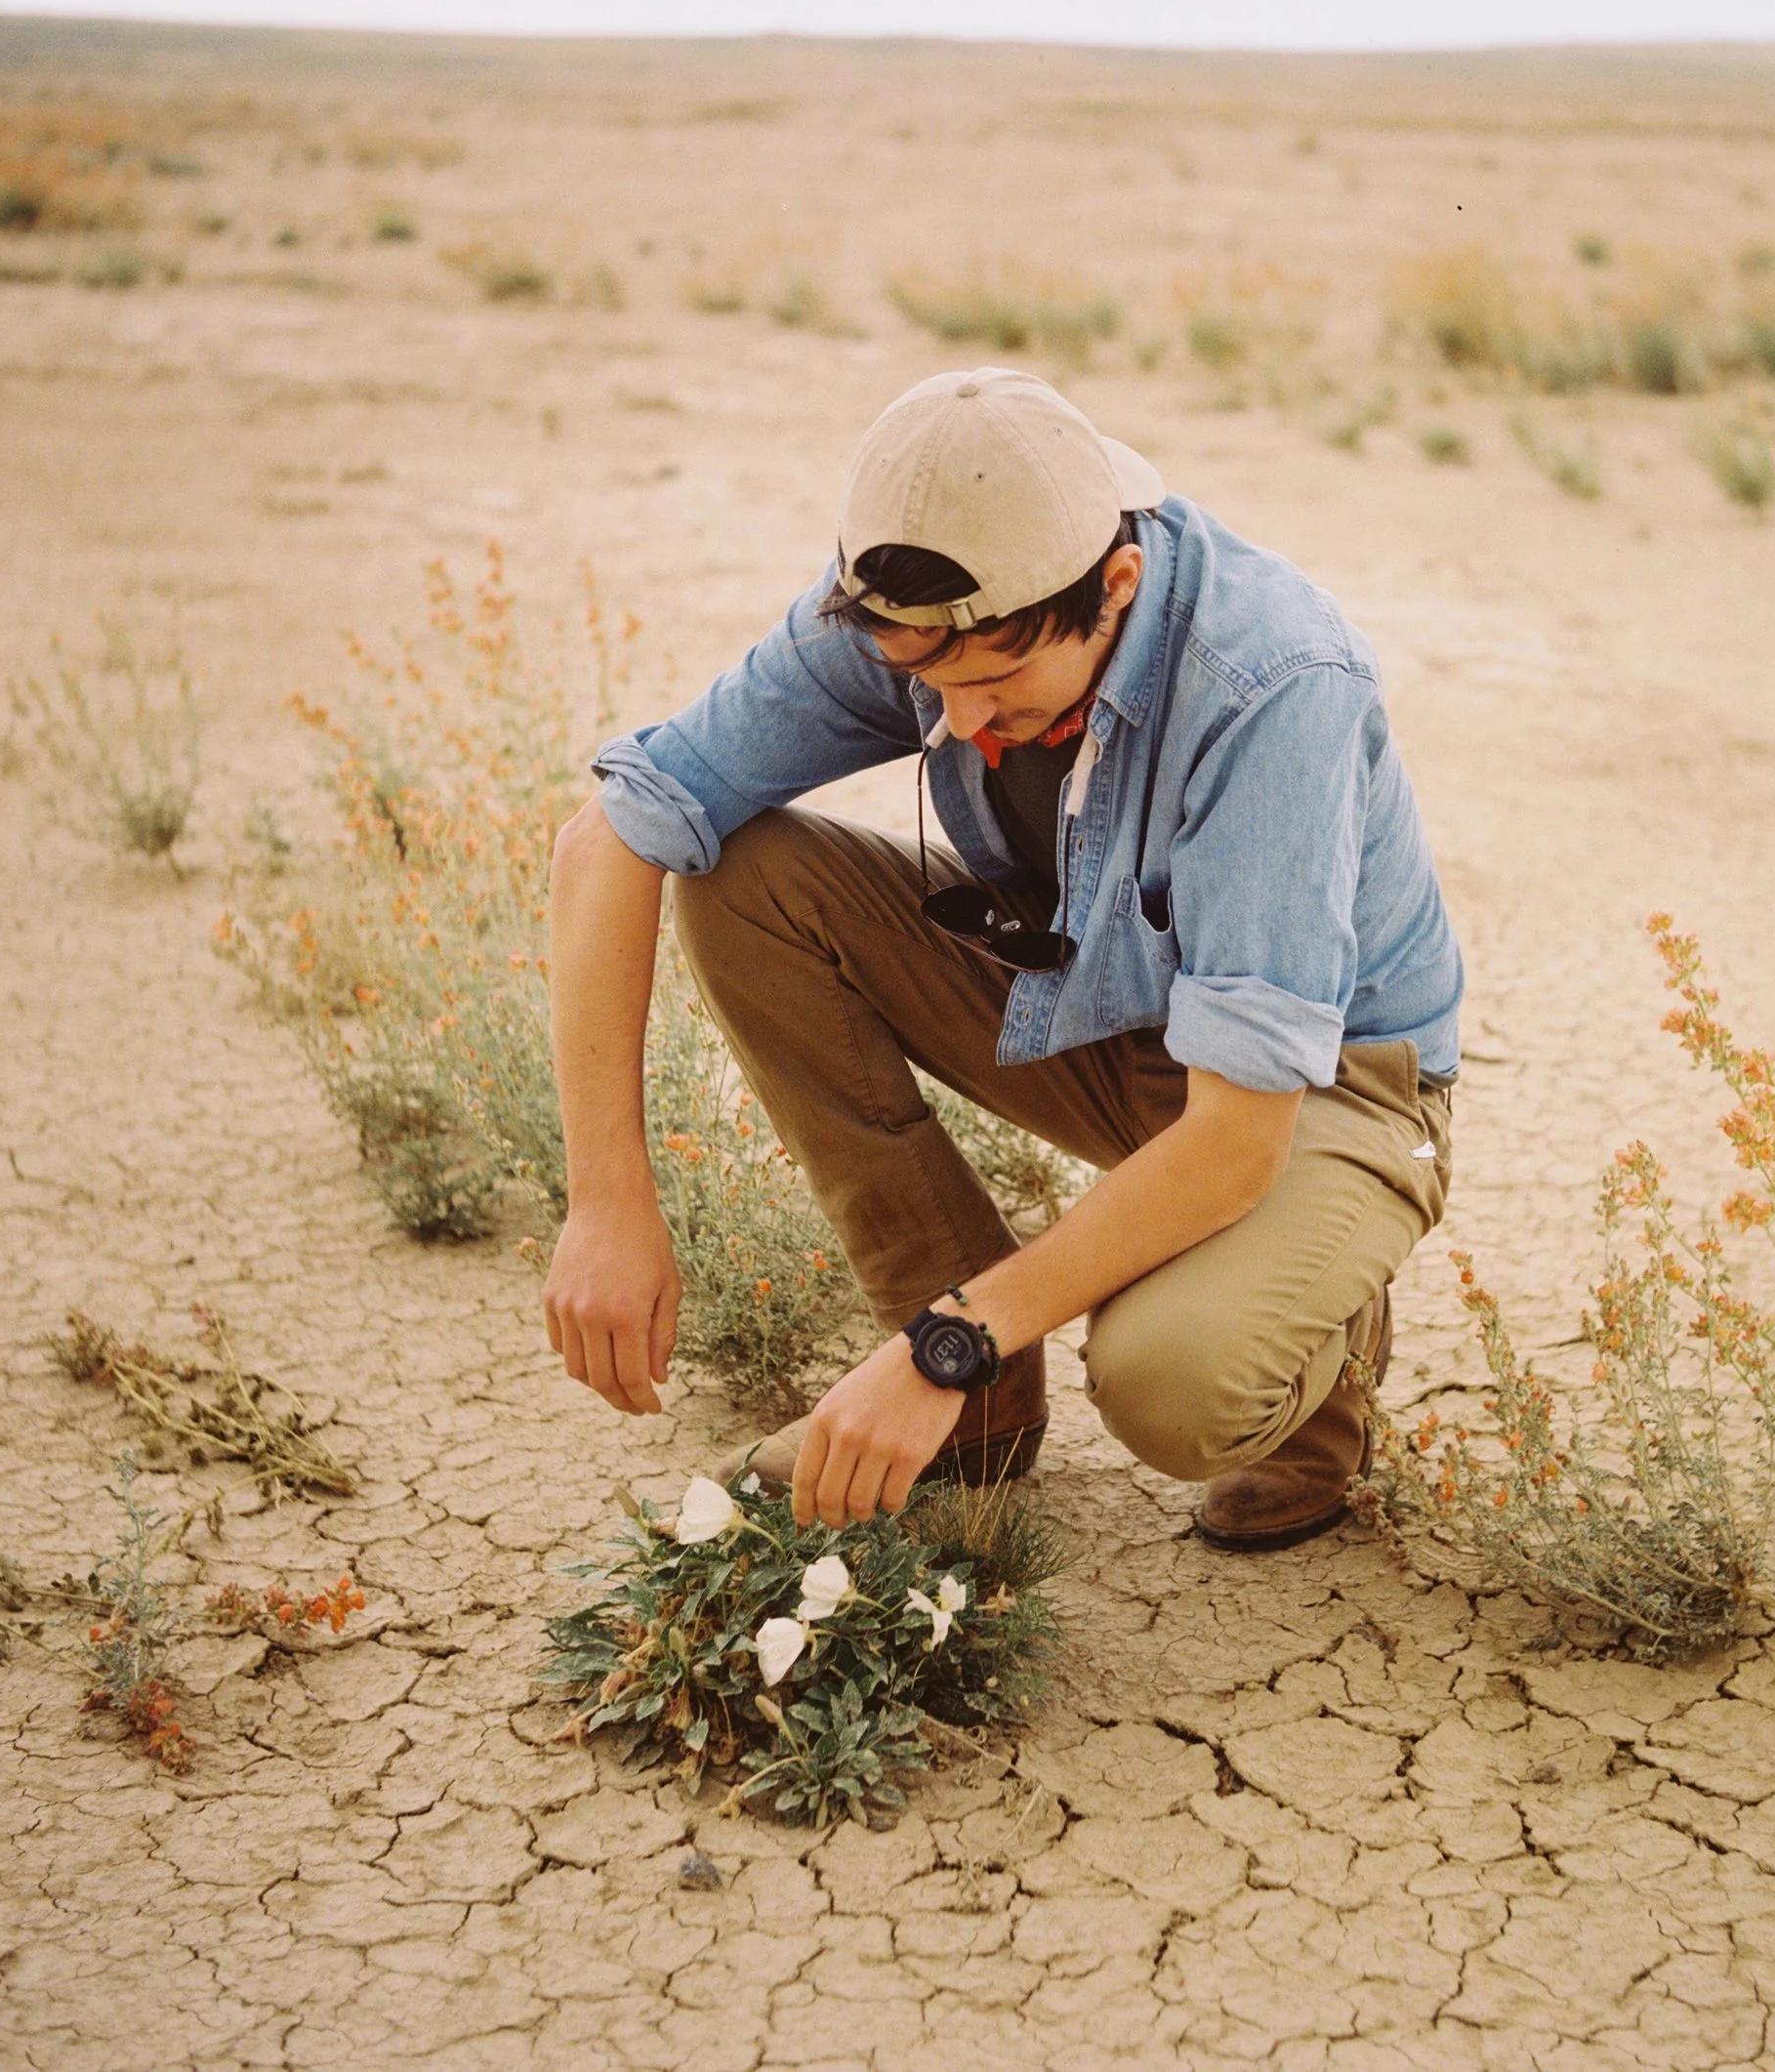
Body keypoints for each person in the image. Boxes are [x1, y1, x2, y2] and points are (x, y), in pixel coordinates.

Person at [541, 365, 1464, 1550]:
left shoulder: (1274, 683)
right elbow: (610, 834)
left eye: (993, 683)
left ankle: (1315, 1359)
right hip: (1098, 1001)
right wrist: (608, 1204)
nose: (958, 720)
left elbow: (1238, 1136)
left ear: (1115, 585)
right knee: (742, 876)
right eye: (927, 684)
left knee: (1173, 1382)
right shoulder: (917, 618)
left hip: (1320, 1087)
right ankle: (978, 1416)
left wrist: (947, 1343)